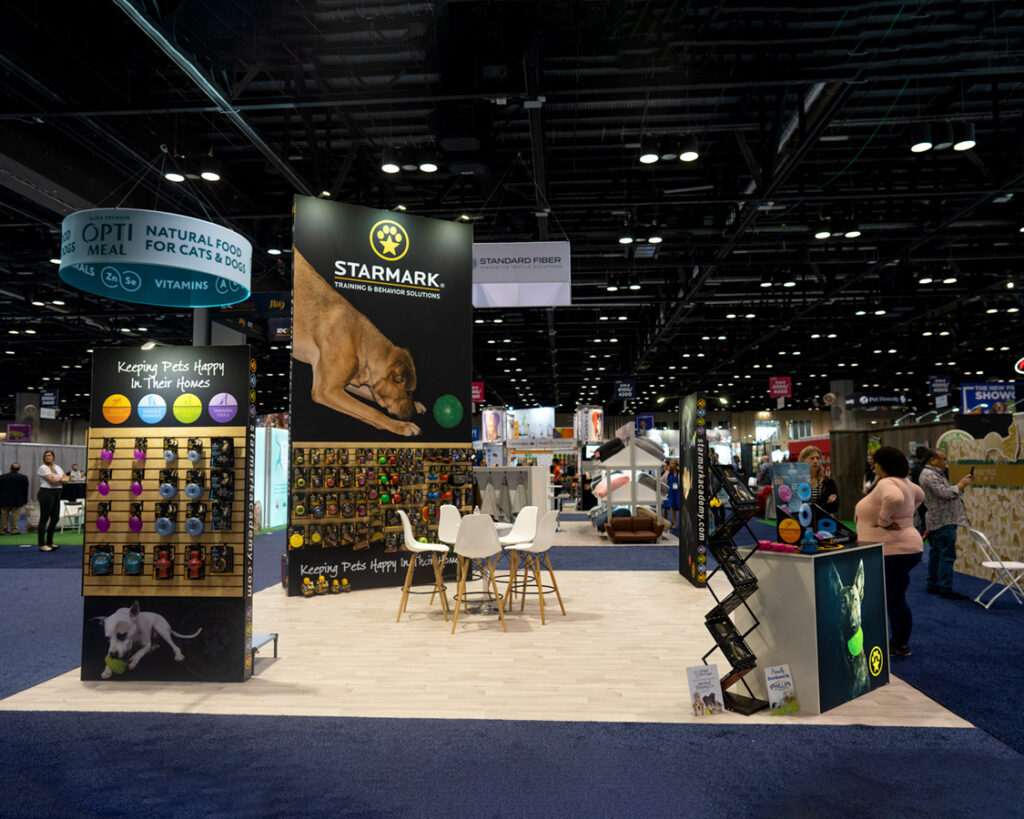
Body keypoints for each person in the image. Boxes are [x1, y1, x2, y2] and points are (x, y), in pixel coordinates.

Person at [854, 446, 924, 657]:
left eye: (875, 462)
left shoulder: (887, 483)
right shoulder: (907, 483)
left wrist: (884, 521)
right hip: (907, 548)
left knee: (894, 598)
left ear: (882, 465)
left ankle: (900, 645)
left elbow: (894, 499)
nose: (874, 466)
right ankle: (899, 643)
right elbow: (920, 496)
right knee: (895, 596)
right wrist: (903, 517)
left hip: (891, 550)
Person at [919, 448, 972, 599]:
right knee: (946, 555)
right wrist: (961, 484)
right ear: (932, 460)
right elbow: (945, 493)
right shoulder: (930, 475)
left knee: (937, 553)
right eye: (942, 459)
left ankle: (934, 584)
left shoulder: (934, 474)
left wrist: (960, 486)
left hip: (941, 520)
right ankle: (945, 587)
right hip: (943, 521)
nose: (945, 462)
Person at [37, 450, 68, 551]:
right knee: (44, 518)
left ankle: (49, 542)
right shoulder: (43, 467)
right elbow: (52, 481)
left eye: (49, 455)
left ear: (53, 457)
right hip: (46, 493)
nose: (48, 457)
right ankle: (42, 544)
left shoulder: (57, 467)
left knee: (55, 518)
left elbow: (67, 478)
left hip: (57, 493)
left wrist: (60, 480)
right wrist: (61, 480)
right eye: (46, 456)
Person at [797, 445, 839, 515]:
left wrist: (812, 508)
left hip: (823, 520)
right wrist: (825, 504)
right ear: (803, 461)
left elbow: (835, 507)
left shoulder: (828, 482)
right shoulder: (797, 482)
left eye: (818, 458)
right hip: (802, 520)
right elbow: (796, 507)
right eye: (812, 458)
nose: (815, 461)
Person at [0, 463, 29, 535]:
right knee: (15, 515)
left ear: (10, 468)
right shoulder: (23, 477)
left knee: (3, 515)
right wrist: (24, 500)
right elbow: (25, 490)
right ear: (18, 469)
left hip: (4, 499)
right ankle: (14, 530)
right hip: (17, 499)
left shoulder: (2, 477)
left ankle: (2, 530)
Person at [909, 446, 929, 535]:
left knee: (921, 519)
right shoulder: (925, 469)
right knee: (925, 522)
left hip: (918, 497)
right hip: (926, 497)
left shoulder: (914, 468)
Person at [664, 459, 681, 532]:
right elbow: (663, 479)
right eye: (671, 463)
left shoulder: (680, 472)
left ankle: (682, 522)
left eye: (673, 463)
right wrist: (667, 471)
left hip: (678, 492)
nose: (671, 464)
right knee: (671, 507)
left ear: (676, 464)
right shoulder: (668, 473)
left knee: (680, 507)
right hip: (671, 492)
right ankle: (674, 523)